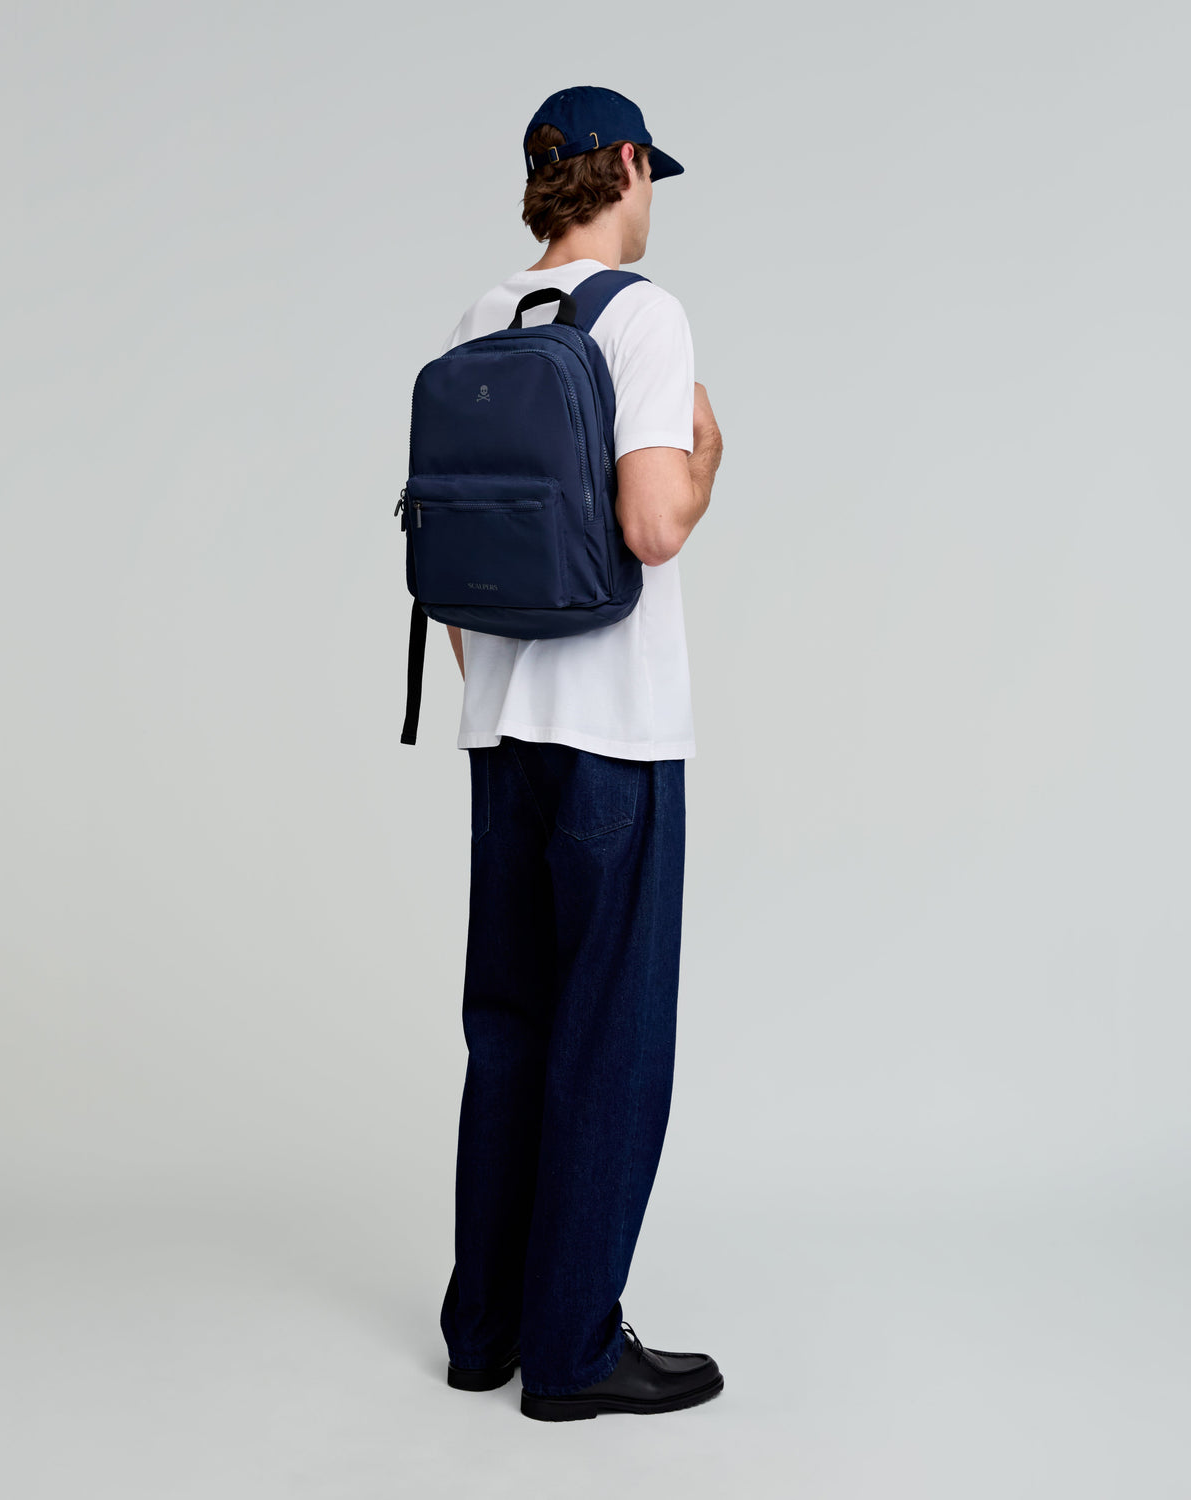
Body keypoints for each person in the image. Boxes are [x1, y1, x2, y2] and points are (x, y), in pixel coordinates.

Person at [436, 85, 725, 1421]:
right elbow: (653, 525)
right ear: (625, 167)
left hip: (502, 731)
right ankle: (571, 1352)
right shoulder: (644, 315)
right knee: (608, 1038)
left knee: (509, 1030)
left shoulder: (481, 320)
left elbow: (452, 547)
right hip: (615, 732)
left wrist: (496, 688)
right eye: (649, 171)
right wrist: (708, 456)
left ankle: (483, 1330)